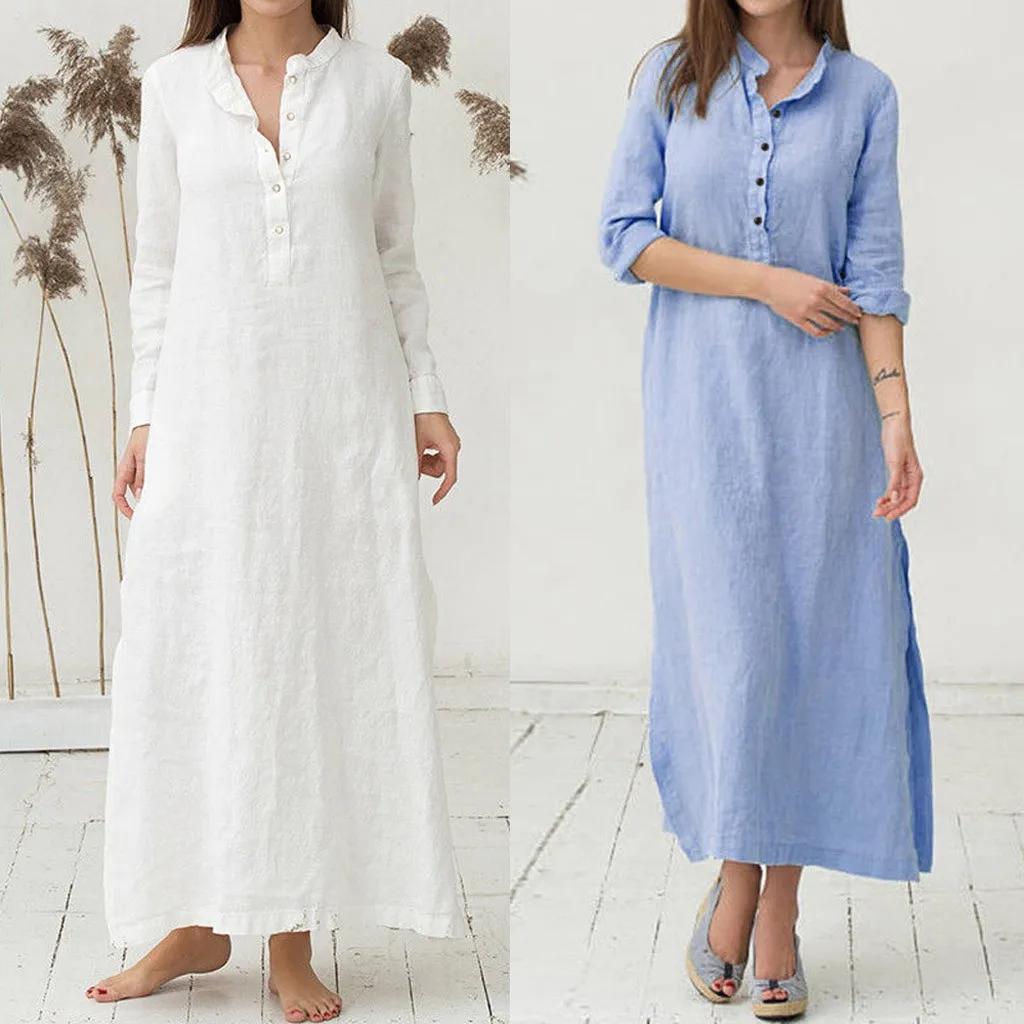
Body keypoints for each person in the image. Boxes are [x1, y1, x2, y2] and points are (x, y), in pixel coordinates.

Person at [88, 2, 464, 1021]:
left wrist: (425, 395)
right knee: (198, 645)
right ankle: (195, 921)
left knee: (308, 650)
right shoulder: (173, 87)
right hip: (210, 414)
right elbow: (158, 269)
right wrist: (144, 415)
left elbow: (393, 256)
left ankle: (289, 934)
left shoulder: (376, 85)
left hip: (338, 414)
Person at [598, 0, 930, 1018]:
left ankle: (775, 902)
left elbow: (875, 274)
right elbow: (624, 236)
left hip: (825, 420)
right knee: (736, 654)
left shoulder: (864, 95)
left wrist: (895, 417)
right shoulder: (671, 77)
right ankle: (735, 874)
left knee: (815, 649)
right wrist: (765, 282)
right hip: (704, 414)